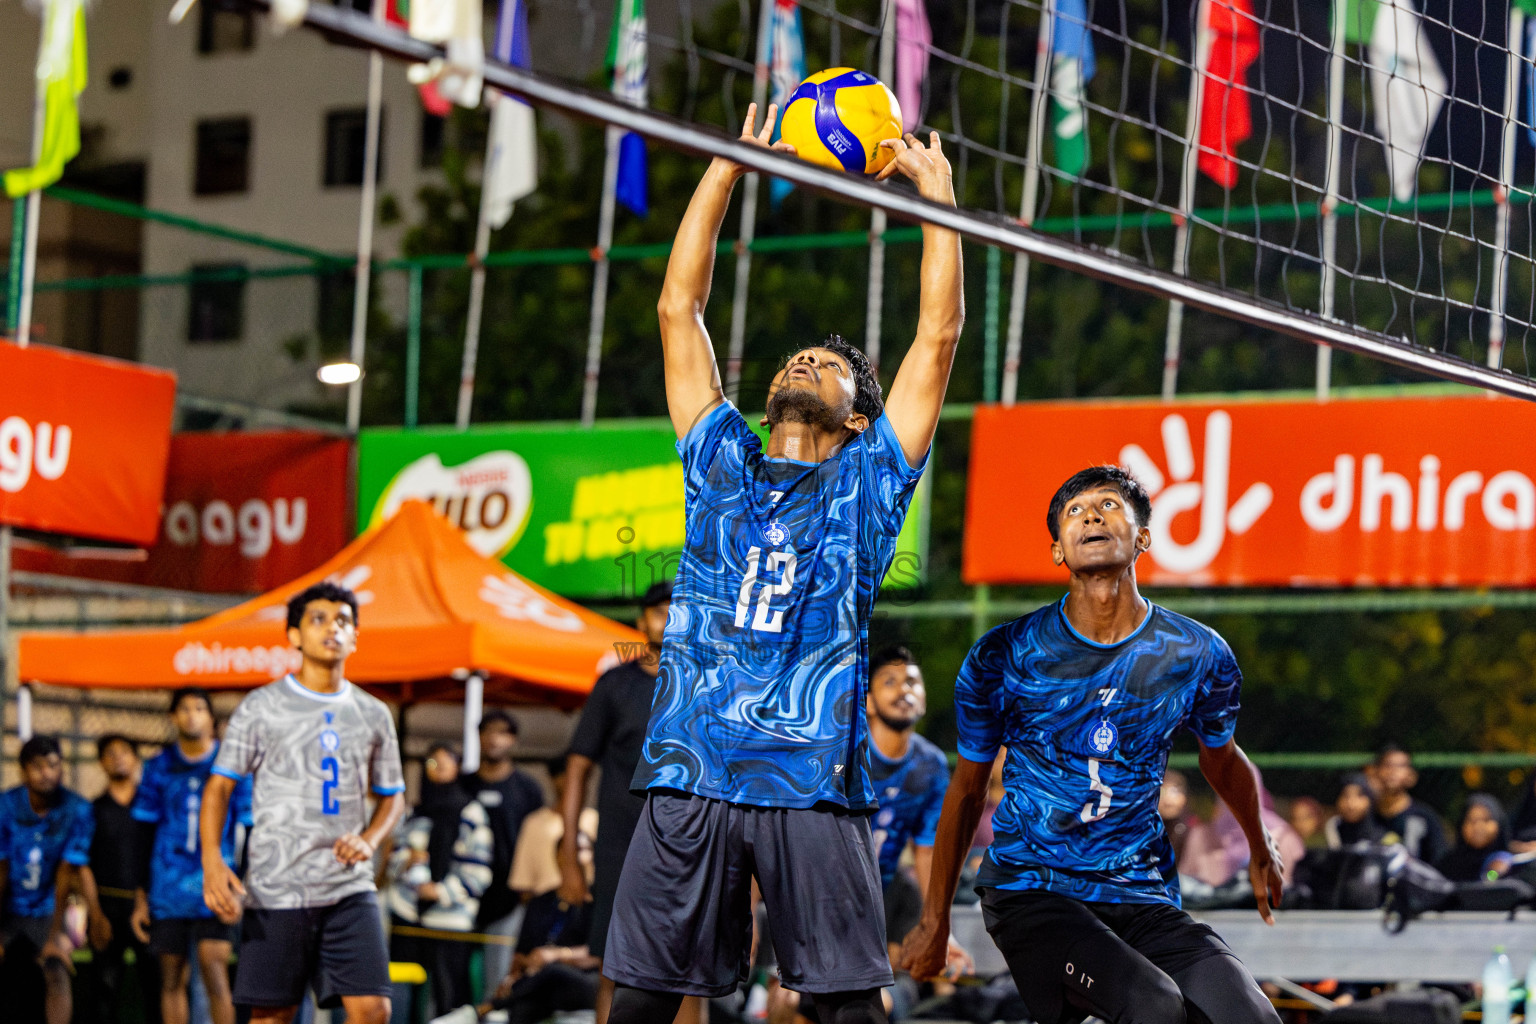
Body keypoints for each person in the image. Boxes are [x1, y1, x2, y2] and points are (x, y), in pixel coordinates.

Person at [604, 100, 962, 1024]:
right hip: (691, 765)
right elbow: (678, 305)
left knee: (846, 1009)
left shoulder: (869, 484)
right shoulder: (720, 458)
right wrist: (726, 169)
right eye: (799, 357)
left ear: (856, 420)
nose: (806, 360)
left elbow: (938, 339)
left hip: (807, 782)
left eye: (831, 365)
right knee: (639, 1003)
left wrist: (938, 205)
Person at [900, 465, 1284, 1024]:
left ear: (1143, 537)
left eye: (1108, 505)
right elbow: (966, 789)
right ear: (1058, 549)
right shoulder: (1006, 655)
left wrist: (1260, 844)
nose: (1091, 515)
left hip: (1138, 890)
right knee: (1154, 1007)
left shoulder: (1194, 653)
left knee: (1250, 1016)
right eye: (1075, 512)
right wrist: (936, 921)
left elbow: (1221, 760)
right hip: (1034, 889)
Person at [200, 581, 406, 1024]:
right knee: (273, 1016)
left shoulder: (373, 713)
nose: (332, 628)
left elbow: (393, 796)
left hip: (348, 886)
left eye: (343, 621)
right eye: (318, 619)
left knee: (373, 1010)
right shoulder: (262, 706)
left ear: (355, 636)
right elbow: (219, 787)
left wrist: (370, 839)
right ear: (293, 635)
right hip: (277, 886)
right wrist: (213, 861)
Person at [557, 581, 704, 1024]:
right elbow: (577, 768)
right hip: (621, 846)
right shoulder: (614, 684)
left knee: (691, 973)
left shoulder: (706, 685)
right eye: (660, 611)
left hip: (691, 845)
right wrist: (569, 854)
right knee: (614, 970)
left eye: (679, 610)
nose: (669, 619)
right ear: (642, 622)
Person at [132, 687, 252, 1024]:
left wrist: (239, 886)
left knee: (214, 970)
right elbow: (142, 833)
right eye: (183, 708)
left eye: (199, 708)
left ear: (211, 718)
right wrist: (141, 895)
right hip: (167, 887)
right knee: (171, 978)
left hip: (215, 883)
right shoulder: (157, 767)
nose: (191, 715)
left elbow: (249, 829)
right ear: (173, 717)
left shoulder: (232, 766)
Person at [0, 734, 111, 1024]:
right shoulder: (5, 806)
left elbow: (70, 870)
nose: (46, 773)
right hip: (8, 905)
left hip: (51, 907)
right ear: (23, 770)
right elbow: (0, 868)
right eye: (37, 766)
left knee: (56, 969)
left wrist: (56, 934)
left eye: (53, 764)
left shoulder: (78, 809)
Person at [385, 743, 493, 1021]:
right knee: (401, 994)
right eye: (432, 763)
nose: (438, 769)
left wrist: (442, 891)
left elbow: (480, 871)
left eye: (446, 763)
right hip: (408, 914)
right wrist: (408, 860)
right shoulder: (415, 811)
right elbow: (393, 857)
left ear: (457, 767)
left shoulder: (470, 811)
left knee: (449, 995)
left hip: (451, 920)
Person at [459, 710, 543, 995]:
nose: (495, 739)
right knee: (452, 983)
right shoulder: (462, 786)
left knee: (498, 982)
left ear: (513, 740)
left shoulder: (527, 789)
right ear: (479, 736)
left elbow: (537, 841)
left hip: (509, 898)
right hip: (461, 897)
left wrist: (530, 886)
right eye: (489, 731)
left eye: (503, 732)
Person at [89, 733, 161, 1024]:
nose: (117, 758)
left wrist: (144, 902)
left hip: (150, 909)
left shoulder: (152, 808)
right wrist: (96, 915)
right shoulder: (94, 810)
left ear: (136, 759)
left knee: (156, 987)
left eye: (124, 752)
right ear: (101, 764)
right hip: (107, 910)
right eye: (110, 753)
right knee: (104, 990)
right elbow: (84, 865)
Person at [1368, 745, 1449, 864]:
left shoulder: (1425, 818)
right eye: (1387, 765)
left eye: (1400, 766)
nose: (1392, 771)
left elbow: (1439, 862)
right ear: (1374, 772)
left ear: (1412, 776)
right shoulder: (1365, 817)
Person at [1437, 794, 1510, 883]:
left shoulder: (1506, 863)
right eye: (1471, 820)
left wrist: (1494, 873)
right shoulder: (1447, 864)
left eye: (1486, 820)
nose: (1478, 827)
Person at [1322, 773, 1384, 849]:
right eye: (1345, 795)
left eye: (1359, 795)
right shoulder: (1330, 833)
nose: (1351, 804)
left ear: (1370, 800)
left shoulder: (1384, 840)